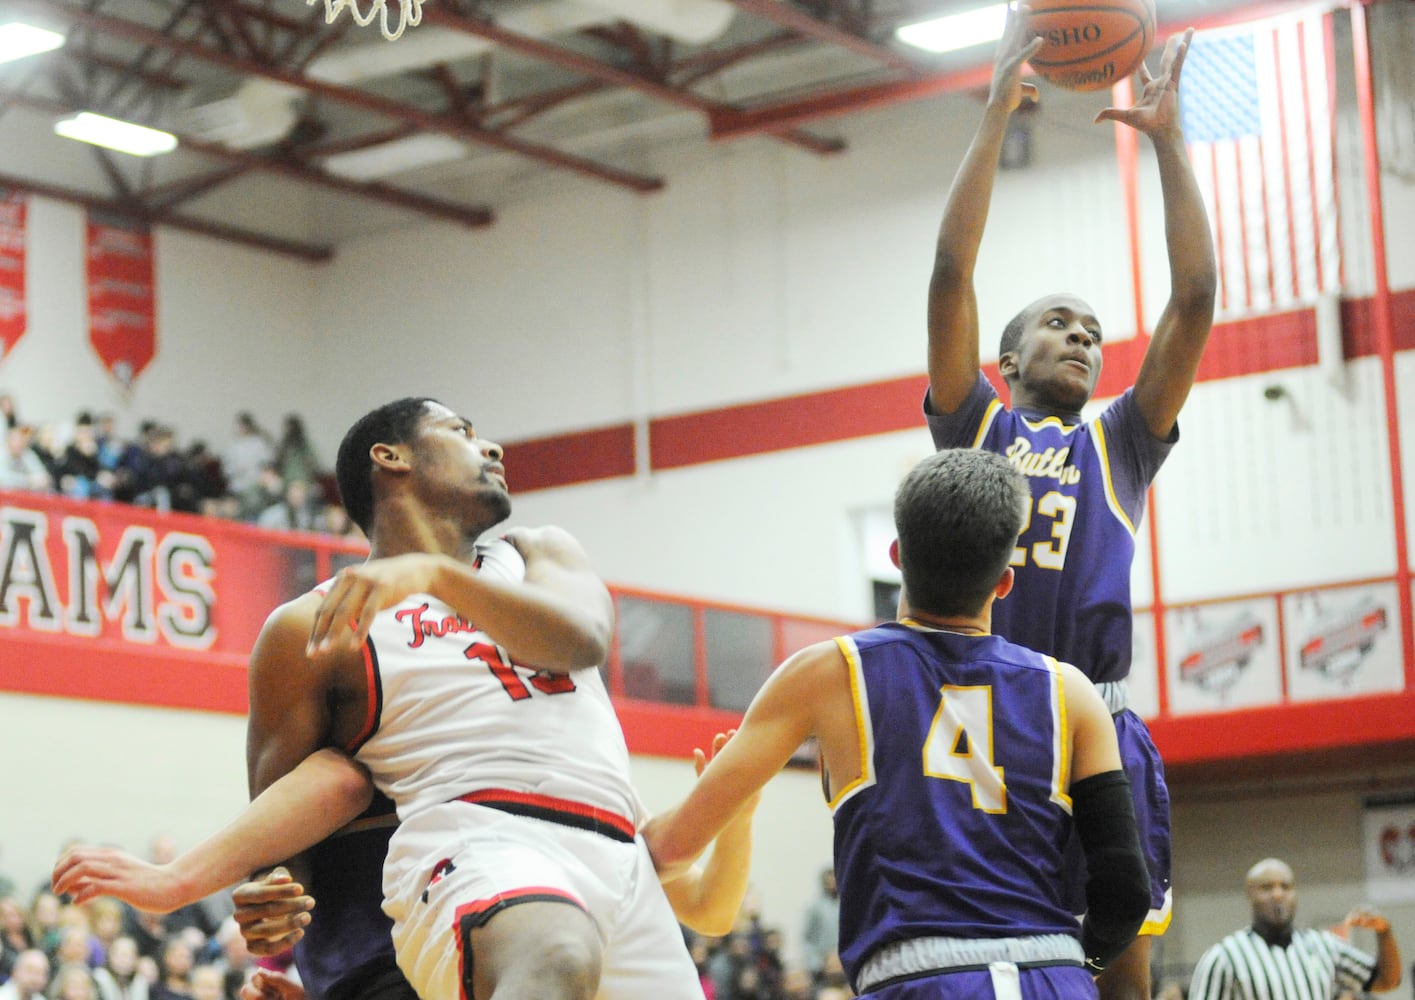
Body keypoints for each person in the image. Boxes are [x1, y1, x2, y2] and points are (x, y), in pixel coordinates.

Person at [55, 396, 757, 1000]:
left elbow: (581, 641)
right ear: (390, 458)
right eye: (460, 430)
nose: (490, 446)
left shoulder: (539, 553)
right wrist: (272, 896)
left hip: (616, 849)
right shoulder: (309, 624)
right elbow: (289, 809)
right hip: (481, 838)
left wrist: (430, 576)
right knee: (556, 957)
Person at [922, 9, 1218, 999]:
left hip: (1096, 715)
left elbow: (1193, 297)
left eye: (1093, 329)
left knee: (1119, 972)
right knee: (982, 963)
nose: (1084, 337)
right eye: (1057, 324)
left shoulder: (1120, 440)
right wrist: (991, 118)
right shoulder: (977, 426)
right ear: (1007, 362)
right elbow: (948, 273)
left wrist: (1172, 146)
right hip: (981, 714)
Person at [644, 448, 1151, 999]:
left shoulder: (827, 673)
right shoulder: (1071, 693)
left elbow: (670, 850)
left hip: (916, 978)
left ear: (895, 556)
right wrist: (1076, 963)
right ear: (1005, 582)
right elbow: (1125, 889)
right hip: (1054, 972)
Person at [1187, 858, 1402, 999]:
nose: (1278, 895)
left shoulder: (1323, 946)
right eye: (1266, 887)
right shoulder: (1224, 957)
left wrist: (1384, 932)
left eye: (1286, 887)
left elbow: (1386, 980)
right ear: (1249, 895)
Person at [800, 867, 840, 989]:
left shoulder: (846, 904)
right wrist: (818, 963)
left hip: (845, 962)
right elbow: (807, 939)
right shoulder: (815, 908)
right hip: (823, 966)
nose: (832, 883)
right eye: (829, 881)